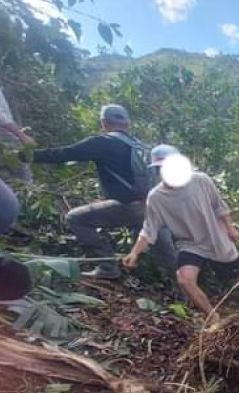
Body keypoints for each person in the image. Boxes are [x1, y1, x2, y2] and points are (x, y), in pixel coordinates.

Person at [122, 145, 239, 329]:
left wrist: (230, 228)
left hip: (216, 238)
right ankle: (214, 317)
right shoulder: (156, 197)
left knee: (238, 277)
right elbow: (149, 229)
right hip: (190, 244)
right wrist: (134, 253)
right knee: (184, 279)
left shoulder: (201, 180)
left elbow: (219, 206)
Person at [29, 104, 175, 279]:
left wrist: (27, 155)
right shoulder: (142, 147)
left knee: (75, 218)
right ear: (127, 124)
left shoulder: (103, 143)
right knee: (168, 255)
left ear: (103, 123)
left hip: (129, 207)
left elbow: (64, 154)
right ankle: (190, 291)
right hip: (154, 208)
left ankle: (107, 267)